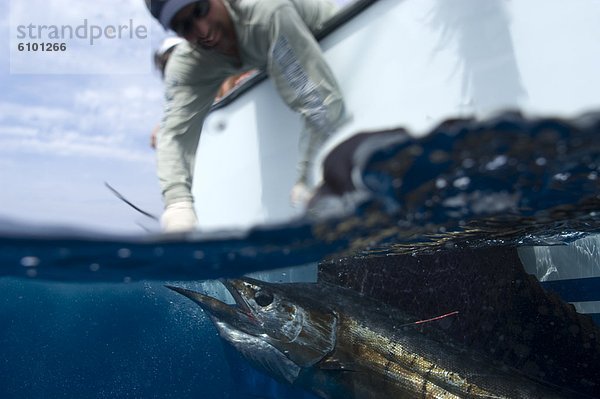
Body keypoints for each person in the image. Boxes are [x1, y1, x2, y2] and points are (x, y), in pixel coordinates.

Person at [145, 0, 348, 232]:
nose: (203, 31)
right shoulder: (188, 63)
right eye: (185, 27)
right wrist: (177, 204)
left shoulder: (266, 11)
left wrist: (305, 181)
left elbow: (322, 105)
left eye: (201, 10)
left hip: (328, 36)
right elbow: (174, 135)